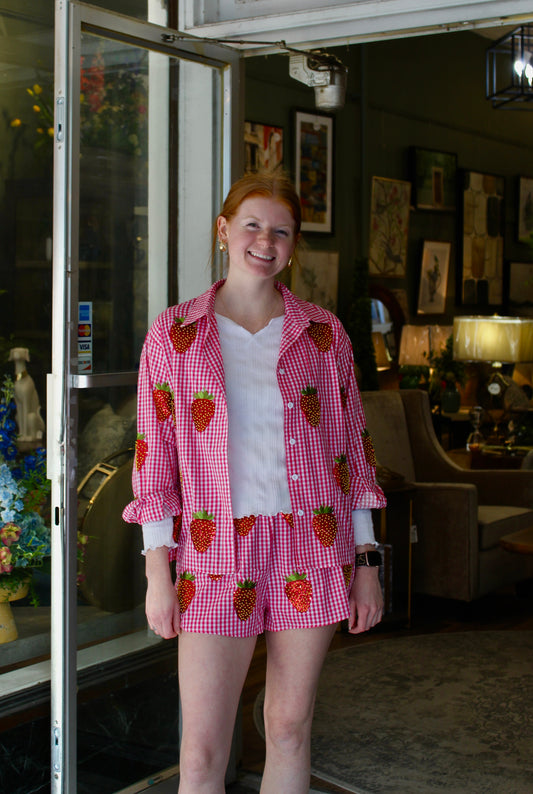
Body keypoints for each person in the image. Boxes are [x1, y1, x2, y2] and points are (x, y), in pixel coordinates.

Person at [122, 171, 386, 793]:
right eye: (252, 225)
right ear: (223, 231)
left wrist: (367, 560)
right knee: (202, 748)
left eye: (281, 231)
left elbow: (353, 450)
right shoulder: (175, 335)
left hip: (311, 545)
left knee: (290, 727)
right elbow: (153, 457)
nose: (265, 241)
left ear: (294, 245)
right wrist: (158, 574)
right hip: (213, 551)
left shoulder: (322, 335)